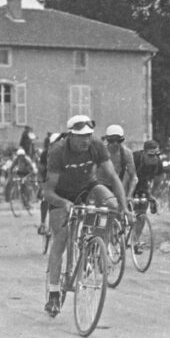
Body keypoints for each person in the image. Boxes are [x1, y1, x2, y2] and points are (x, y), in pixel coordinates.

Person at [42, 115, 128, 317]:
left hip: (87, 186)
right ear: (70, 135)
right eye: (81, 137)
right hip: (61, 193)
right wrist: (63, 203)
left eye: (88, 136)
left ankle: (94, 245)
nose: (85, 141)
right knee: (61, 239)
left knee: (110, 205)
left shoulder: (96, 146)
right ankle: (54, 293)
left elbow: (114, 177)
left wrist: (124, 208)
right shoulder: (58, 151)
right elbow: (48, 191)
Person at [130, 139, 165, 251]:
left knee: (142, 212)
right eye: (151, 155)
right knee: (125, 206)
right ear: (144, 152)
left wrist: (152, 195)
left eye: (157, 154)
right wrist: (127, 195)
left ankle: (135, 240)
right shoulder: (135, 158)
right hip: (129, 181)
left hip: (142, 184)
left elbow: (158, 180)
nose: (154, 157)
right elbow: (126, 177)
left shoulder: (158, 163)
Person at [36, 132, 62, 236]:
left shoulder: (67, 154)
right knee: (45, 198)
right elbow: (40, 172)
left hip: (61, 181)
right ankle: (43, 223)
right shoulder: (45, 154)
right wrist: (42, 186)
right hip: (47, 180)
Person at [103, 124, 138, 200]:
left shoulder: (126, 153)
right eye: (111, 140)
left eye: (119, 140)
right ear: (107, 139)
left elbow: (133, 177)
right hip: (100, 185)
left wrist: (129, 195)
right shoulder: (100, 151)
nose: (115, 144)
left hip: (117, 187)